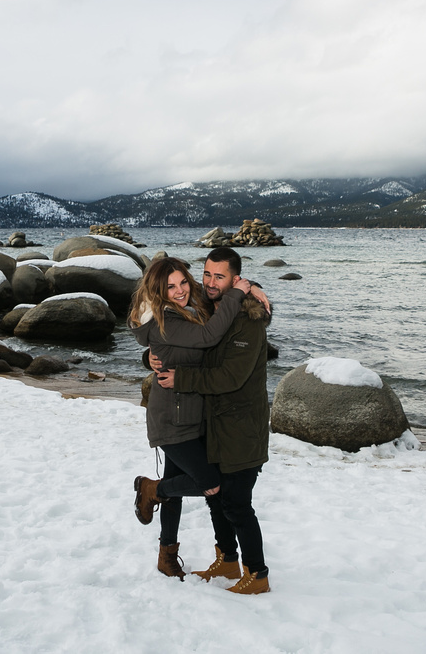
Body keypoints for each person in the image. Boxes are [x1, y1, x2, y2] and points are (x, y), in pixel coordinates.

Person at [128, 256, 255, 580]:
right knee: (211, 484)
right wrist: (240, 295)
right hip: (171, 418)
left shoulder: (190, 303)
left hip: (195, 414)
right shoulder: (165, 319)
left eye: (184, 281)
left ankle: (166, 554)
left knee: (176, 487)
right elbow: (207, 338)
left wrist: (251, 288)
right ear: (158, 291)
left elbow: (218, 286)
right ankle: (150, 489)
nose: (181, 290)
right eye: (170, 287)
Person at [156, 247, 272, 595]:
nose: (209, 282)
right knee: (216, 498)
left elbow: (229, 377)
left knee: (237, 503)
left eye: (218, 276)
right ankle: (227, 559)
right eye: (206, 274)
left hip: (241, 428)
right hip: (214, 423)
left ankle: (258, 574)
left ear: (235, 280)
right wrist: (152, 357)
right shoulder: (208, 311)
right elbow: (174, 337)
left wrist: (182, 380)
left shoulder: (248, 322)